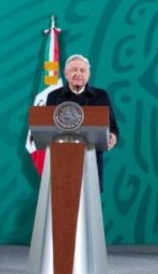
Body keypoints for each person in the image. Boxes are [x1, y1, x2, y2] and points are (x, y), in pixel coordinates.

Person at [45, 54, 119, 186]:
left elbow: (112, 126)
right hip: (61, 160)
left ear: (88, 75)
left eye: (82, 70)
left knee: (90, 202)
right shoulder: (53, 96)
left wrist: (112, 136)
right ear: (66, 74)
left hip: (92, 159)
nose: (78, 73)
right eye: (74, 70)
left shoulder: (101, 96)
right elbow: (45, 126)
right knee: (61, 202)